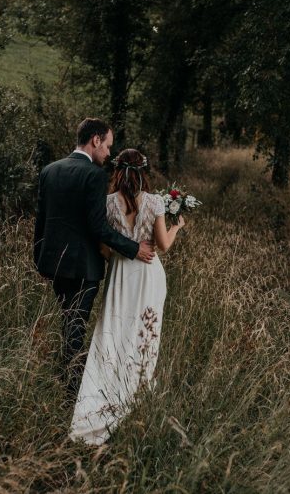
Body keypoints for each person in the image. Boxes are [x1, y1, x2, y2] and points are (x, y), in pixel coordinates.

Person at [70, 148, 186, 445]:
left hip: (120, 276)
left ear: (117, 171)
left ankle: (101, 401)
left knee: (113, 331)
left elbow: (104, 248)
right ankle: (134, 395)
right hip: (148, 275)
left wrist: (119, 253)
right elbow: (163, 245)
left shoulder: (108, 203)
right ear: (144, 172)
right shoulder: (155, 202)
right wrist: (177, 227)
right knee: (144, 334)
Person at [34, 119, 156, 397]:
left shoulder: (50, 170)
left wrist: (39, 259)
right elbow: (98, 227)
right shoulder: (94, 175)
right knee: (76, 325)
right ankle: (72, 391)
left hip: (53, 264)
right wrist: (134, 248)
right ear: (95, 141)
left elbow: (40, 221)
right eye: (108, 147)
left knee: (69, 320)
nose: (109, 155)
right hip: (83, 267)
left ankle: (66, 376)